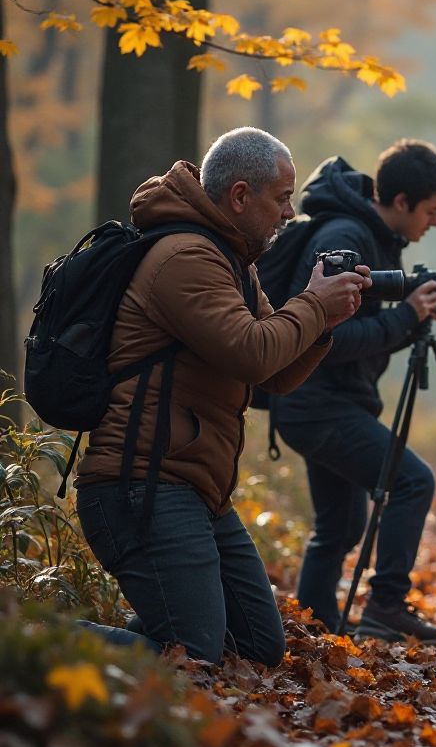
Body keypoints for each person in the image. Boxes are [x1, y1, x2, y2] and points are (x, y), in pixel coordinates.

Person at [74, 127, 369, 666]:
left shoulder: (232, 261)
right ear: (239, 196)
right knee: (198, 656)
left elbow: (272, 378)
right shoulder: (185, 258)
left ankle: (165, 627)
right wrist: (311, 303)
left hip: (193, 486)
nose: (288, 213)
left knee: (258, 645)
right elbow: (251, 353)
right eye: (281, 199)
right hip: (142, 485)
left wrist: (324, 323)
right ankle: (41, 637)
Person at [274, 139, 436, 644]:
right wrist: (406, 315)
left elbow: (360, 335)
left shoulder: (374, 238)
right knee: (412, 481)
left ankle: (316, 630)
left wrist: (414, 320)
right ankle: (385, 605)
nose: (435, 222)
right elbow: (324, 338)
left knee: (340, 526)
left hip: (318, 402)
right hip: (315, 404)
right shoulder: (345, 238)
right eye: (431, 210)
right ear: (401, 202)